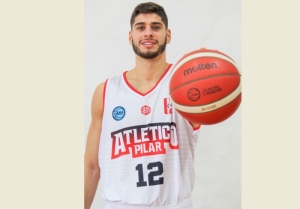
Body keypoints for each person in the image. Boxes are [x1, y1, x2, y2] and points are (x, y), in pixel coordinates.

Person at [84, 2, 201, 209]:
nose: (148, 33)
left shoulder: (187, 86)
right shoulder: (106, 91)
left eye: (156, 27)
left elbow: (215, 107)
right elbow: (92, 166)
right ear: (130, 37)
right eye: (141, 27)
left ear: (168, 35)